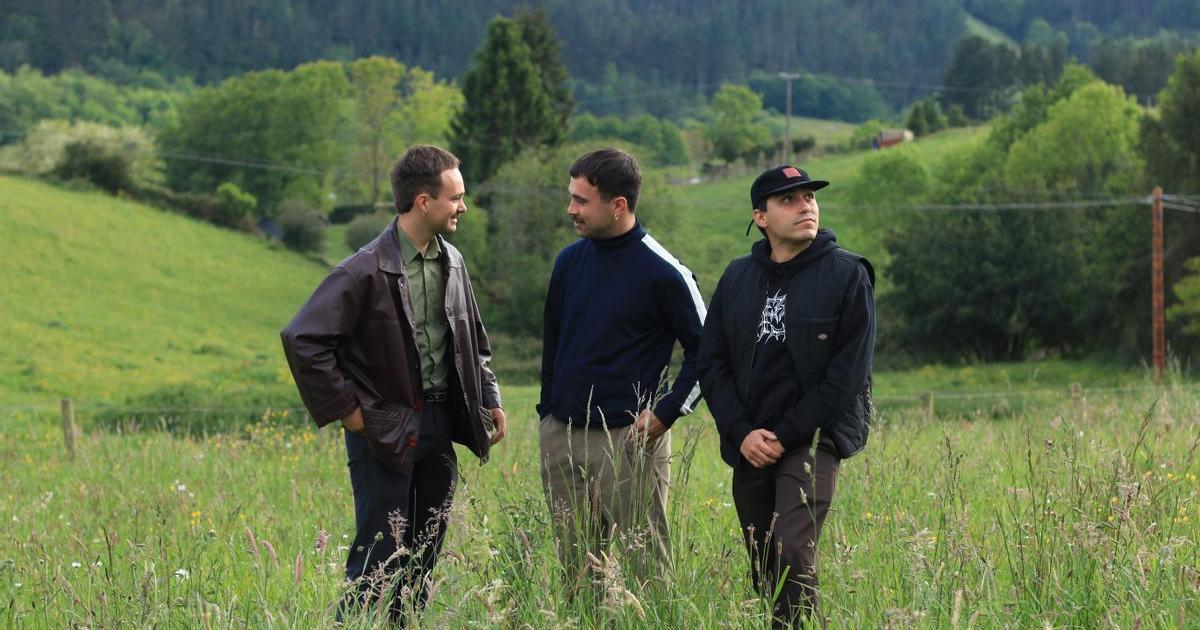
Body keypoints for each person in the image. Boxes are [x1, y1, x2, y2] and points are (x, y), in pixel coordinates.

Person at [280, 145, 506, 625]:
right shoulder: (361, 270)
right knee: (377, 561)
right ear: (423, 202)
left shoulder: (454, 262)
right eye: (455, 197)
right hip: (382, 431)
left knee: (423, 559)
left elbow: (474, 340)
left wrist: (489, 397)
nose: (463, 206)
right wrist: (348, 410)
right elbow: (303, 340)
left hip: (441, 426)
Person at [698, 165, 875, 627]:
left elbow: (847, 376)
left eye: (809, 197)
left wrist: (786, 434)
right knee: (763, 560)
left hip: (813, 438)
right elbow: (711, 364)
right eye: (789, 200)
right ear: (761, 217)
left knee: (793, 550)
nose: (805, 207)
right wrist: (741, 432)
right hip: (750, 440)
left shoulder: (848, 275)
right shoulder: (737, 278)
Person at [538, 147, 706, 593]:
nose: (570, 209)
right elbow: (553, 342)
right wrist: (547, 414)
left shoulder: (665, 272)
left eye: (581, 200)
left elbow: (708, 352)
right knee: (577, 577)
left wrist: (666, 413)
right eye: (571, 197)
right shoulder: (568, 262)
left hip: (629, 441)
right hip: (562, 436)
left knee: (646, 573)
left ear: (618, 205)